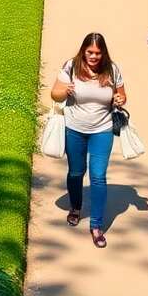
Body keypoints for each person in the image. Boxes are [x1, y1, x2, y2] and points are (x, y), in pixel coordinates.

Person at [50, 32, 127, 249]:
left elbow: (122, 95)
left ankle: (96, 226)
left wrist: (119, 99)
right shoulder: (71, 66)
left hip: (102, 129)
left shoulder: (112, 69)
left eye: (97, 53)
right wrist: (64, 91)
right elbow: (54, 94)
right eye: (90, 52)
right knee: (76, 172)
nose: (93, 56)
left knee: (99, 176)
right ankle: (75, 207)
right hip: (74, 129)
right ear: (83, 51)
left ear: (103, 53)